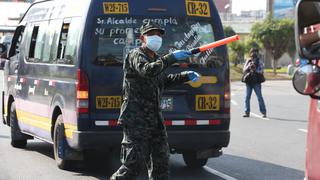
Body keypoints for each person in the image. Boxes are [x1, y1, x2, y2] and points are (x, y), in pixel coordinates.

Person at [110, 22, 201, 180]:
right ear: (142, 38)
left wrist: (185, 75)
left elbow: (162, 81)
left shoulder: (158, 60)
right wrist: (171, 58)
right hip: (135, 120)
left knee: (161, 166)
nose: (156, 37)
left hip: (155, 120)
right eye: (152, 34)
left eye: (159, 34)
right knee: (132, 166)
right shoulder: (135, 55)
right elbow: (147, 71)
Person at [242, 48, 267, 118]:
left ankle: (263, 112)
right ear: (250, 53)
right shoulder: (248, 60)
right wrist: (249, 66)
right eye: (252, 52)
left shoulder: (259, 61)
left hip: (256, 81)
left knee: (259, 97)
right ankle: (247, 112)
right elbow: (244, 70)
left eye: (255, 52)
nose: (254, 54)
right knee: (247, 97)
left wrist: (255, 69)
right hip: (249, 81)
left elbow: (261, 70)